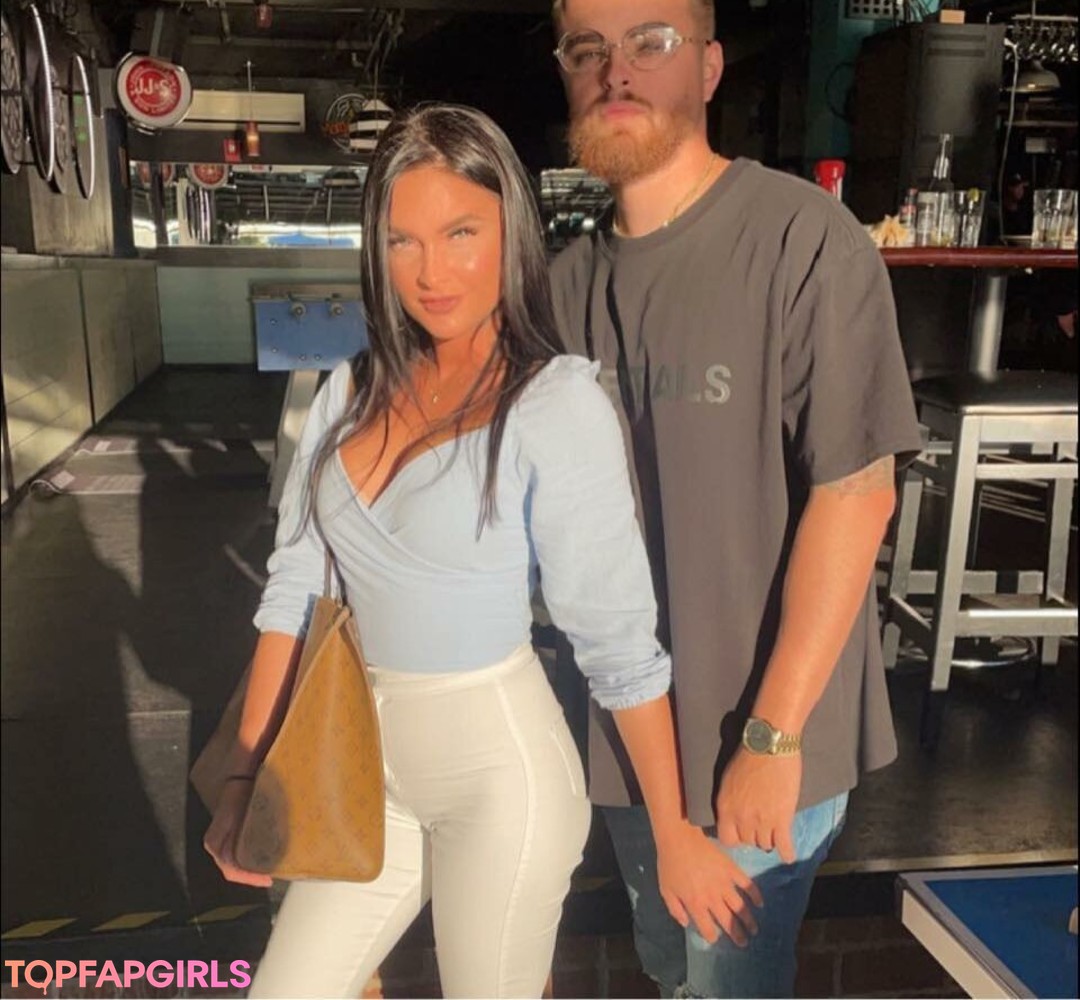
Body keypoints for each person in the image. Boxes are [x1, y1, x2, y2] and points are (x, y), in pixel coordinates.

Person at [203, 103, 761, 1000]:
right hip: (362, 771)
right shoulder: (347, 390)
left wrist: (674, 832)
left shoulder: (554, 404)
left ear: (512, 232)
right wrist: (244, 773)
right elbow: (294, 592)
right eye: (403, 240)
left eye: (461, 233)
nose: (432, 272)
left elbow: (617, 645)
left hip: (501, 785)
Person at [547, 2, 923, 997]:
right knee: (671, 968)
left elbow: (857, 495)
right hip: (632, 743)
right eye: (589, 49)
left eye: (651, 42)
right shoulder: (562, 285)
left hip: (756, 735)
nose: (617, 71)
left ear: (710, 68)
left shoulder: (805, 240)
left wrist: (773, 734)